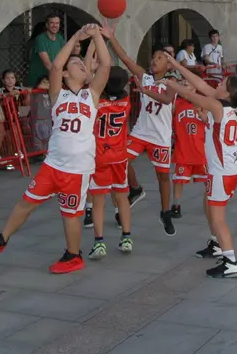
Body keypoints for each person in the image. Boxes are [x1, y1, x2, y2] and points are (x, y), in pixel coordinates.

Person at [0, 24, 111, 274]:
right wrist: (74, 38)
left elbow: (104, 65)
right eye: (77, 64)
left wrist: (96, 35)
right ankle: (2, 239)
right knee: (27, 201)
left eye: (83, 65)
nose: (83, 66)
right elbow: (56, 65)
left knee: (71, 214)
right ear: (66, 74)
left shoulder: (91, 95)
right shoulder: (58, 93)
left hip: (78, 167)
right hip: (53, 164)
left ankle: (73, 255)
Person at [161, 68, 237, 278]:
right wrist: (174, 63)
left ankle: (231, 262)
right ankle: (217, 245)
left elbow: (193, 93)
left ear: (227, 93)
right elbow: (199, 85)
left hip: (223, 170)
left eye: (221, 84)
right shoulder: (228, 108)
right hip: (229, 168)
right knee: (209, 204)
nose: (217, 85)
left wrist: (170, 84)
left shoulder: (217, 106)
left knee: (218, 218)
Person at [106, 27, 178, 236]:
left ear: (168, 64)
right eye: (153, 57)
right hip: (140, 133)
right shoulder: (145, 77)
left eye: (160, 58)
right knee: (120, 160)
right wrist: (112, 38)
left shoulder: (171, 83)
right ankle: (136, 189)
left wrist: (146, 91)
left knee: (163, 176)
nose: (154, 60)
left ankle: (165, 211)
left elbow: (165, 99)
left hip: (160, 136)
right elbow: (126, 59)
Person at [88, 66, 134, 259]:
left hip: (99, 156)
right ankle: (127, 238)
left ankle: (99, 242)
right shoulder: (126, 102)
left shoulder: (96, 101)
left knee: (99, 202)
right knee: (122, 198)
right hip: (119, 156)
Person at [168, 73, 208, 220]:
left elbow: (207, 121)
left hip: (200, 149)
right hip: (183, 149)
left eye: (187, 84)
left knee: (208, 179)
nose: (185, 86)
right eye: (183, 84)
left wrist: (201, 111)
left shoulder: (203, 102)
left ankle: (211, 202)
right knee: (179, 179)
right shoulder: (176, 103)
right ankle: (176, 205)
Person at [27, 15, 67, 88]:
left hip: (52, 79)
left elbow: (64, 57)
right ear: (47, 25)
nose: (55, 25)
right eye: (52, 23)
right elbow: (47, 64)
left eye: (57, 23)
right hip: (38, 82)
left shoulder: (60, 38)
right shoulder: (40, 39)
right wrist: (61, 74)